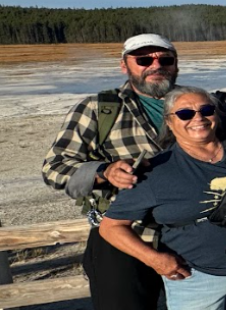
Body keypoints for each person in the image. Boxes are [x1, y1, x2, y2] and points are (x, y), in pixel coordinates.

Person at [98, 86, 226, 310]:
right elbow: (111, 227)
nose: (198, 118)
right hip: (196, 278)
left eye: (206, 110)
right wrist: (154, 260)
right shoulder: (156, 172)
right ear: (169, 121)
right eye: (185, 113)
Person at [41, 33, 178, 310]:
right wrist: (104, 171)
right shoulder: (99, 108)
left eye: (165, 59)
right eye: (144, 60)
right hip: (124, 236)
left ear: (176, 65)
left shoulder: (196, 104)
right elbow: (54, 168)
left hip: (190, 233)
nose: (156, 65)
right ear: (124, 65)